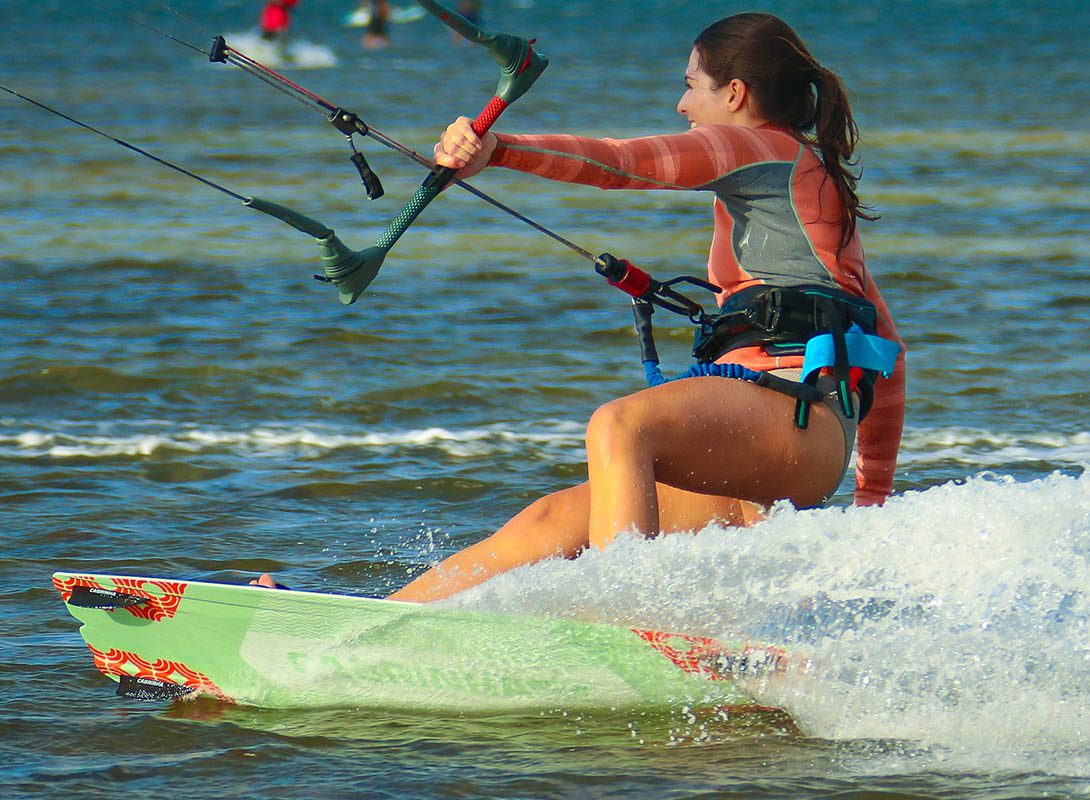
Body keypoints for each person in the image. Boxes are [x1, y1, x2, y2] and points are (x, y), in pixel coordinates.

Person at [255, 12, 907, 601]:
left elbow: (631, 163)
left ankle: (632, 624)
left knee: (621, 427)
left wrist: (500, 151)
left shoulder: (761, 145)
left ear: (734, 94)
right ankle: (373, 624)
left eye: (692, 85)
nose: (682, 104)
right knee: (555, 521)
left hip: (787, 425)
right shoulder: (810, 197)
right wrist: (870, 501)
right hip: (773, 453)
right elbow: (890, 356)